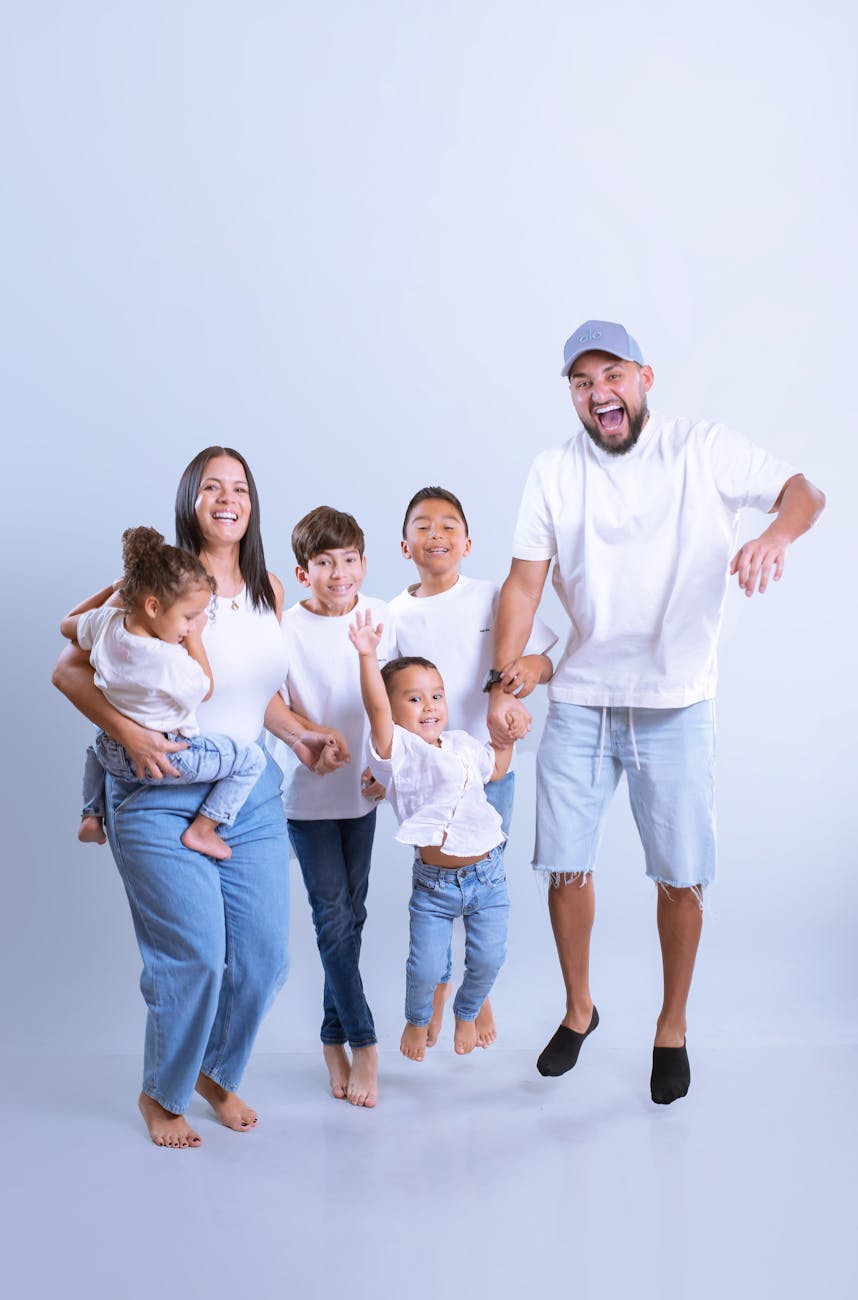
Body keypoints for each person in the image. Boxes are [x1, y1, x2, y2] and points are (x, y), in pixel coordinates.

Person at [486, 320, 826, 1104]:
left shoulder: (701, 447)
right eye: (581, 382)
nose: (597, 392)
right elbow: (522, 584)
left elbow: (804, 492)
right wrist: (506, 683)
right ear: (571, 394)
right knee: (564, 865)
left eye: (611, 375)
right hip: (578, 698)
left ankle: (671, 1026)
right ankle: (580, 1010)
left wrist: (774, 536)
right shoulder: (553, 470)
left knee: (680, 877)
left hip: (675, 703)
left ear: (643, 377)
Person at [53, 447, 347, 1148]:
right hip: (158, 791)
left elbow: (258, 695)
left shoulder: (268, 589)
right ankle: (163, 1094)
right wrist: (131, 734)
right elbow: (68, 670)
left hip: (247, 794)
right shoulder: (150, 584)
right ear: (189, 501)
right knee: (194, 956)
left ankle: (215, 1071)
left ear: (252, 503)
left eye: (239, 487)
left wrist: (303, 737)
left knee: (264, 960)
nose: (227, 498)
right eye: (211, 487)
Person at [389, 486, 557, 1047]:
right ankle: (438, 985)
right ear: (404, 542)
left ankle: (473, 993)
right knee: (440, 883)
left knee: (484, 879)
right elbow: (382, 695)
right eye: (422, 525)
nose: (435, 534)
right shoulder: (396, 614)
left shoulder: (492, 597)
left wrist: (526, 677)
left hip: (490, 765)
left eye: (447, 525)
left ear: (467, 541)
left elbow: (545, 658)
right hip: (431, 776)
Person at [349, 610, 524, 1060]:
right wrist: (368, 656)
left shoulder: (464, 744)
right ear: (392, 711)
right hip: (434, 886)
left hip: (488, 877)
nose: (430, 707)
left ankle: (468, 1011)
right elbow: (374, 708)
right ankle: (418, 1018)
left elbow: (497, 769)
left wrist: (509, 738)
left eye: (437, 696)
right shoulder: (399, 753)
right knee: (424, 968)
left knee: (488, 960)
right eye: (414, 700)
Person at [271, 506, 394, 1109]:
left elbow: (390, 701)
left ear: (364, 563)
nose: (339, 572)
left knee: (354, 916)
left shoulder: (381, 617)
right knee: (332, 918)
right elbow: (268, 703)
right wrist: (310, 737)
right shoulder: (285, 627)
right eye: (324, 563)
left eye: (348, 560)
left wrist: (385, 769)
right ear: (303, 573)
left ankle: (329, 1035)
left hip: (363, 795)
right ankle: (363, 1042)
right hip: (306, 795)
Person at [67, 525, 267, 862]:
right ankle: (204, 828)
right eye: (189, 617)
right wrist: (196, 639)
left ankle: (91, 814)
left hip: (112, 754)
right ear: (154, 607)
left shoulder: (105, 622)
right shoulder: (168, 659)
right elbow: (206, 687)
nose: (191, 624)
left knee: (98, 736)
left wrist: (113, 590)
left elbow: (67, 623)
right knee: (251, 760)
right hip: (165, 758)